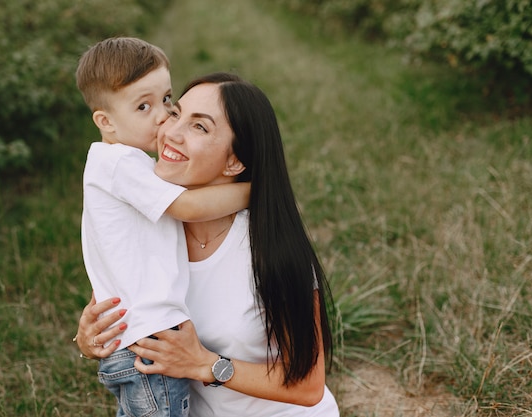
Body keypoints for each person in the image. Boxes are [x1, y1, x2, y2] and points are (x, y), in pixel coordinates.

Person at [76, 72, 339, 417]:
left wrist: (205, 364)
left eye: (199, 127)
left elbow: (308, 385)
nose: (171, 131)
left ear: (235, 161)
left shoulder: (270, 250)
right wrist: (90, 340)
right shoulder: (147, 224)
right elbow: (121, 312)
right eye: (175, 113)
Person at [75, 39, 250, 417]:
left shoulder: (126, 163)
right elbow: (188, 207)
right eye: (143, 106)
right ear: (105, 121)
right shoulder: (119, 163)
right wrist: (256, 190)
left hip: (140, 336)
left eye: (166, 98)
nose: (163, 116)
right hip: (151, 337)